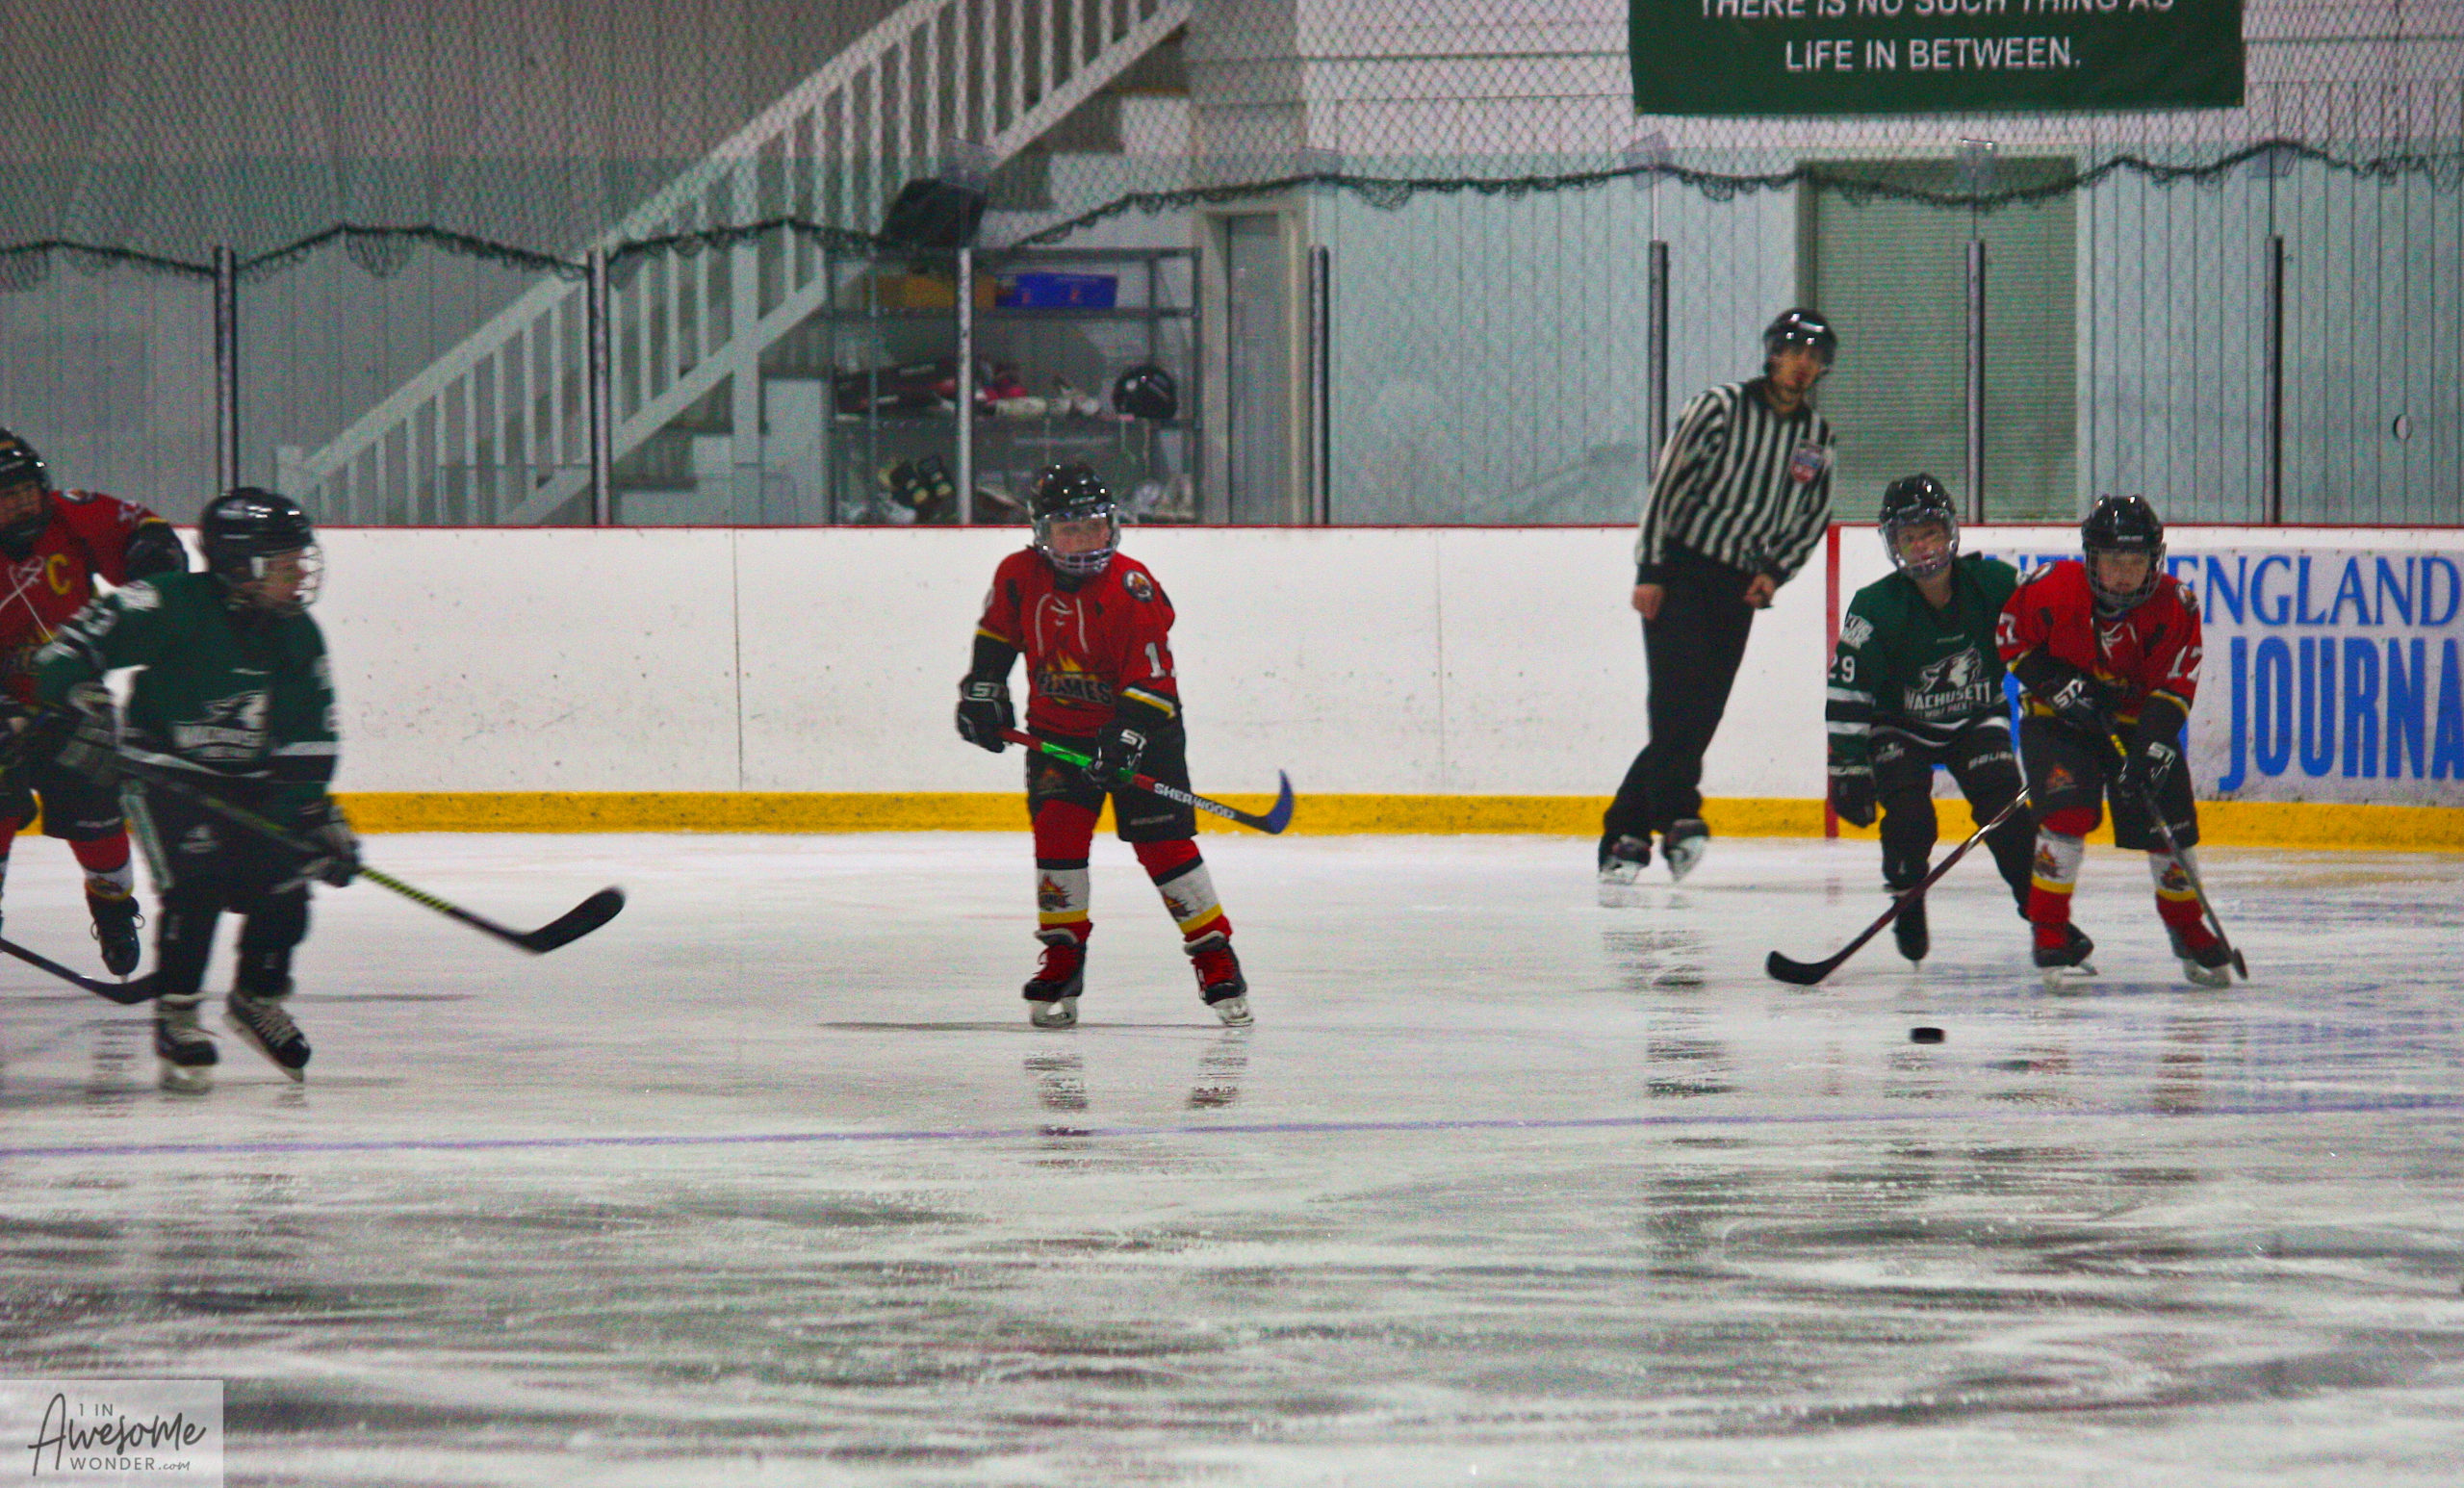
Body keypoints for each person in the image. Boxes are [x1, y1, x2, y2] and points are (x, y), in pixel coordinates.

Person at [33, 488, 356, 1091]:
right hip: (168, 776)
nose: (300, 575)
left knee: (287, 883)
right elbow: (65, 654)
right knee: (197, 887)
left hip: (253, 782)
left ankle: (256, 998)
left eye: (299, 560)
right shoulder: (169, 603)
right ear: (240, 566)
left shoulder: (297, 635)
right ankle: (178, 1014)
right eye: (285, 563)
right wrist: (83, 702)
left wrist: (310, 812)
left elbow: (309, 734)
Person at [954, 462, 1250, 1030]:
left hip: (1145, 732)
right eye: (1070, 530)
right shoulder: (1018, 574)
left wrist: (1127, 737)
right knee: (1057, 837)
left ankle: (1214, 955)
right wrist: (983, 690)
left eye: (1094, 526)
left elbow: (1154, 682)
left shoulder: (1131, 587)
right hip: (1057, 734)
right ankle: (1063, 955)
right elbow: (997, 634)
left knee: (1164, 846)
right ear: (1042, 533)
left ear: (1112, 526)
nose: (1086, 541)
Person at [1603, 308, 1839, 889]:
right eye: (1795, 351)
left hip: (1738, 586)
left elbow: (1813, 515)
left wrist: (1776, 572)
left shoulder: (1816, 438)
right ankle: (1679, 816)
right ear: (1773, 353)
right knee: (1676, 701)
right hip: (1681, 570)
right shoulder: (1720, 407)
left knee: (1701, 711)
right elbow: (1669, 484)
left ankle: (1626, 831)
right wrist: (1651, 568)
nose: (1803, 364)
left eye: (1814, 356)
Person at [1995, 493, 2231, 988]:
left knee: (2170, 825)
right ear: (2091, 559)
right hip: (2057, 720)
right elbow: (2010, 637)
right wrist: (2057, 683)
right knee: (2066, 816)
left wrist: (2151, 746)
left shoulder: (2176, 605)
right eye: (2113, 561)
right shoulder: (2052, 587)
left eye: (2136, 561)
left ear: (2154, 560)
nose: (2125, 574)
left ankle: (2186, 925)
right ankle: (2049, 929)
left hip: (2137, 723)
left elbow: (2175, 684)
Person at [0, 429, 189, 974]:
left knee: (96, 813)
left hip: (73, 697)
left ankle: (112, 908)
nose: (23, 505)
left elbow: (140, 526)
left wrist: (154, 554)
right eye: (6, 497)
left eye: (27, 491)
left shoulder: (72, 516)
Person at [1825, 475, 2033, 962]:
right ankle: (1907, 896)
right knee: (1911, 822)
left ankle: (2046, 921)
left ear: (1950, 532)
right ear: (1893, 545)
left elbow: (2046, 634)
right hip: (1900, 726)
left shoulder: (1996, 584)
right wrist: (1847, 766)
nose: (1921, 547)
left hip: (1977, 719)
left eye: (1930, 533)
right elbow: (1849, 689)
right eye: (1908, 537)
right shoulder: (1875, 607)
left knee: (2010, 819)